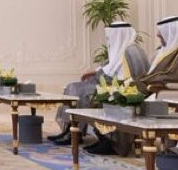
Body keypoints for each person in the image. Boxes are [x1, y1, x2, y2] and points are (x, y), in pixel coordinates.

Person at [49, 22, 149, 155]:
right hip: (107, 84)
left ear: (118, 36)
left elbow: (132, 78)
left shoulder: (130, 52)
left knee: (79, 92)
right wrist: (96, 72)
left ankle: (77, 133)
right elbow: (109, 66)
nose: (108, 40)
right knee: (72, 86)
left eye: (110, 37)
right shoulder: (123, 48)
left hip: (118, 88)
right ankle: (69, 130)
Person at [135, 16, 178, 95]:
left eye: (161, 31)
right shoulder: (163, 50)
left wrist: (142, 81)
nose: (157, 34)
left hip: (164, 93)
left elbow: (169, 76)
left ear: (172, 32)